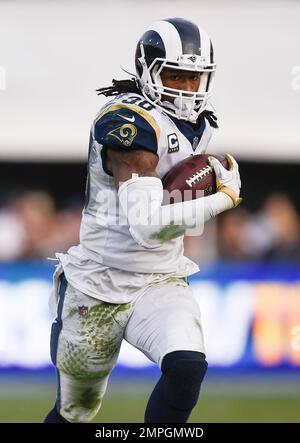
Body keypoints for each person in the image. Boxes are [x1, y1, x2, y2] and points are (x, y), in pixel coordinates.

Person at [44, 17, 242, 423]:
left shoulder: (198, 126)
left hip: (159, 278)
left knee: (187, 366)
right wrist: (223, 200)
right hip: (99, 282)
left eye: (194, 78)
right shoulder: (129, 124)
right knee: (76, 411)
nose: (186, 89)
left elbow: (171, 209)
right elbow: (147, 226)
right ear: (148, 72)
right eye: (175, 75)